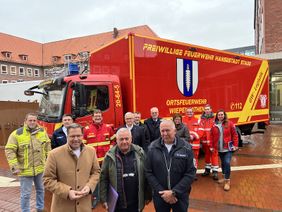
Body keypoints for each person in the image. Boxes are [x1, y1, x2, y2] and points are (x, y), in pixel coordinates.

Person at [43, 123, 101, 212]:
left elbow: (96, 172)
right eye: (72, 136)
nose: (76, 139)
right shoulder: (54, 154)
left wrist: (89, 186)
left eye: (78, 136)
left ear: (82, 136)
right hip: (62, 207)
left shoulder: (91, 151)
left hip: (84, 206)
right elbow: (47, 179)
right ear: (67, 136)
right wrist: (67, 192)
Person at [145, 120, 196, 212]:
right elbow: (148, 172)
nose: (164, 134)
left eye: (167, 130)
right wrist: (163, 193)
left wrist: (174, 192)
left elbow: (191, 173)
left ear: (175, 131)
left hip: (180, 196)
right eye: (162, 131)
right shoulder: (152, 148)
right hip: (160, 196)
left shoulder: (186, 148)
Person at [5, 113, 51, 212]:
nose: (32, 122)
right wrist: (14, 166)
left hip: (40, 169)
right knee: (25, 194)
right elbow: (9, 150)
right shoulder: (17, 134)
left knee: (41, 190)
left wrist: (49, 163)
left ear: (37, 121)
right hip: (25, 170)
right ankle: (25, 210)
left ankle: (40, 209)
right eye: (30, 120)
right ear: (25, 121)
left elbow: (48, 147)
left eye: (34, 120)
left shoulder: (42, 132)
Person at [100, 128, 151, 212]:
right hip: (117, 204)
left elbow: (147, 175)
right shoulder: (109, 156)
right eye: (121, 139)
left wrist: (147, 195)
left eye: (127, 139)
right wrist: (103, 198)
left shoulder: (140, 153)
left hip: (136, 203)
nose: (124, 142)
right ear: (116, 140)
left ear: (131, 139)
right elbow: (103, 178)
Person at [210, 109, 238, 191]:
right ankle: (223, 177)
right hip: (219, 148)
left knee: (227, 162)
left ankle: (227, 181)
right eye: (219, 115)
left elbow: (235, 135)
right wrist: (212, 146)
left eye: (222, 114)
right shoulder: (214, 125)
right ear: (217, 116)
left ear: (224, 115)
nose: (220, 116)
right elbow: (211, 136)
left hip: (228, 148)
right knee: (222, 163)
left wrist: (235, 145)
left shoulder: (229, 123)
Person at [198, 104, 219, 180]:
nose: (207, 111)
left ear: (211, 110)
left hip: (213, 142)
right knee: (207, 156)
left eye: (208, 109)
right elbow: (200, 130)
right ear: (204, 110)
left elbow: (217, 131)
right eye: (205, 109)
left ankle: (215, 172)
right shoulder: (201, 119)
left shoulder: (215, 119)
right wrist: (197, 138)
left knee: (214, 156)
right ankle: (207, 170)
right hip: (205, 142)